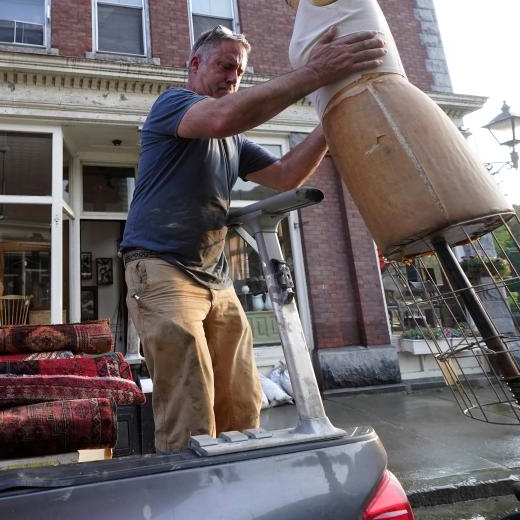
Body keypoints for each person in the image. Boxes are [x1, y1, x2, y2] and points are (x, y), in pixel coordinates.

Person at [120, 24, 386, 452]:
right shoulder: (174, 103)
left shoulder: (234, 140)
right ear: (195, 64)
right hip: (161, 265)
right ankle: (190, 494)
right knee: (189, 398)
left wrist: (328, 123)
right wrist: (318, 72)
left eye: (239, 72)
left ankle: (239, 481)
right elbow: (225, 114)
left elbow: (285, 176)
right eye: (226, 66)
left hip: (215, 275)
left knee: (241, 394)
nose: (233, 78)